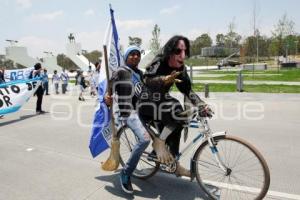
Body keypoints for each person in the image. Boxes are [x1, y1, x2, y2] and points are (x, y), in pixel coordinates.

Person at [138, 35, 213, 177]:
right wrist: (163, 79)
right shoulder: (160, 61)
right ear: (170, 51)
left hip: (162, 104)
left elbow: (187, 91)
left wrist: (201, 104)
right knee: (176, 108)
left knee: (180, 122)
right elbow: (147, 79)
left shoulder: (181, 68)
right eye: (178, 51)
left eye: (185, 52)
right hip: (147, 102)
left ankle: (173, 163)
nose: (182, 55)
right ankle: (159, 143)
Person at [105, 46, 151, 194]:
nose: (136, 57)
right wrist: (107, 97)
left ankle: (159, 155)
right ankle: (126, 172)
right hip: (128, 112)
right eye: (132, 54)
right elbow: (109, 88)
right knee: (144, 140)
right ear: (126, 57)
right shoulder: (120, 71)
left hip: (143, 111)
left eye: (138, 54)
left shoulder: (140, 73)